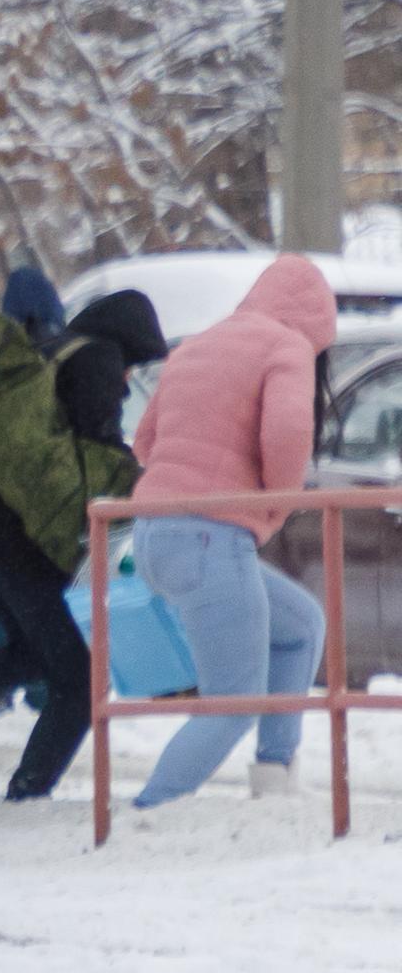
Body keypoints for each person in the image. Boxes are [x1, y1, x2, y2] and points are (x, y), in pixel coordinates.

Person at [0, 271, 158, 800]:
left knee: (44, 650)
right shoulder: (97, 358)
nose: (129, 377)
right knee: (81, 678)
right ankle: (28, 794)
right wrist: (146, 482)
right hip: (13, 539)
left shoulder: (34, 358)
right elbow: (98, 458)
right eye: (134, 364)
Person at [122, 254, 338, 811]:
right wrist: (271, 509)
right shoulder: (286, 346)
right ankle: (151, 808)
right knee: (234, 699)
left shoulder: (198, 343)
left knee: (300, 625)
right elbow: (289, 437)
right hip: (209, 537)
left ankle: (276, 773)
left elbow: (145, 443)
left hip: (153, 533)